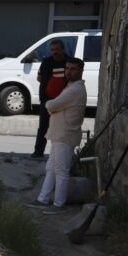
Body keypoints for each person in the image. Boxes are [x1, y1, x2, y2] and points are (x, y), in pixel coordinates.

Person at [29, 57, 87, 215]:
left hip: (65, 135)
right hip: (59, 134)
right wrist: (52, 106)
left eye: (73, 69)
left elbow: (53, 105)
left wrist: (48, 105)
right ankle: (43, 199)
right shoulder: (70, 86)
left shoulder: (75, 89)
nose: (69, 71)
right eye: (67, 68)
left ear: (81, 71)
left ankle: (59, 204)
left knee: (61, 171)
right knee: (51, 169)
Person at [33, 38, 69, 158]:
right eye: (52, 50)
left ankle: (60, 155)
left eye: (57, 49)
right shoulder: (46, 61)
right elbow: (39, 78)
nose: (55, 52)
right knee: (43, 127)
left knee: (62, 129)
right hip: (47, 100)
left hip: (64, 102)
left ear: (62, 49)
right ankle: (38, 152)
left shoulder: (69, 62)